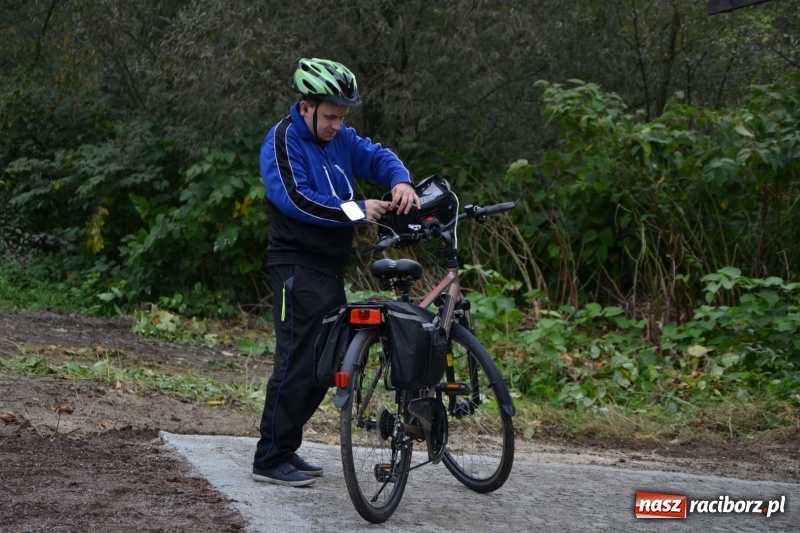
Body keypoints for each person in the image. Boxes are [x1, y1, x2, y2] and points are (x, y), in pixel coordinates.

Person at [252, 58, 420, 487]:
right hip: (295, 266)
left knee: (325, 362)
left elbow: (377, 155)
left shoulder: (340, 139)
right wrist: (357, 210)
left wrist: (399, 180)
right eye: (329, 116)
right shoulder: (282, 140)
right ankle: (269, 457)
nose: (336, 125)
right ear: (305, 106)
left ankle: (285, 448)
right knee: (296, 359)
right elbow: (297, 200)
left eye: (342, 117)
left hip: (328, 268)